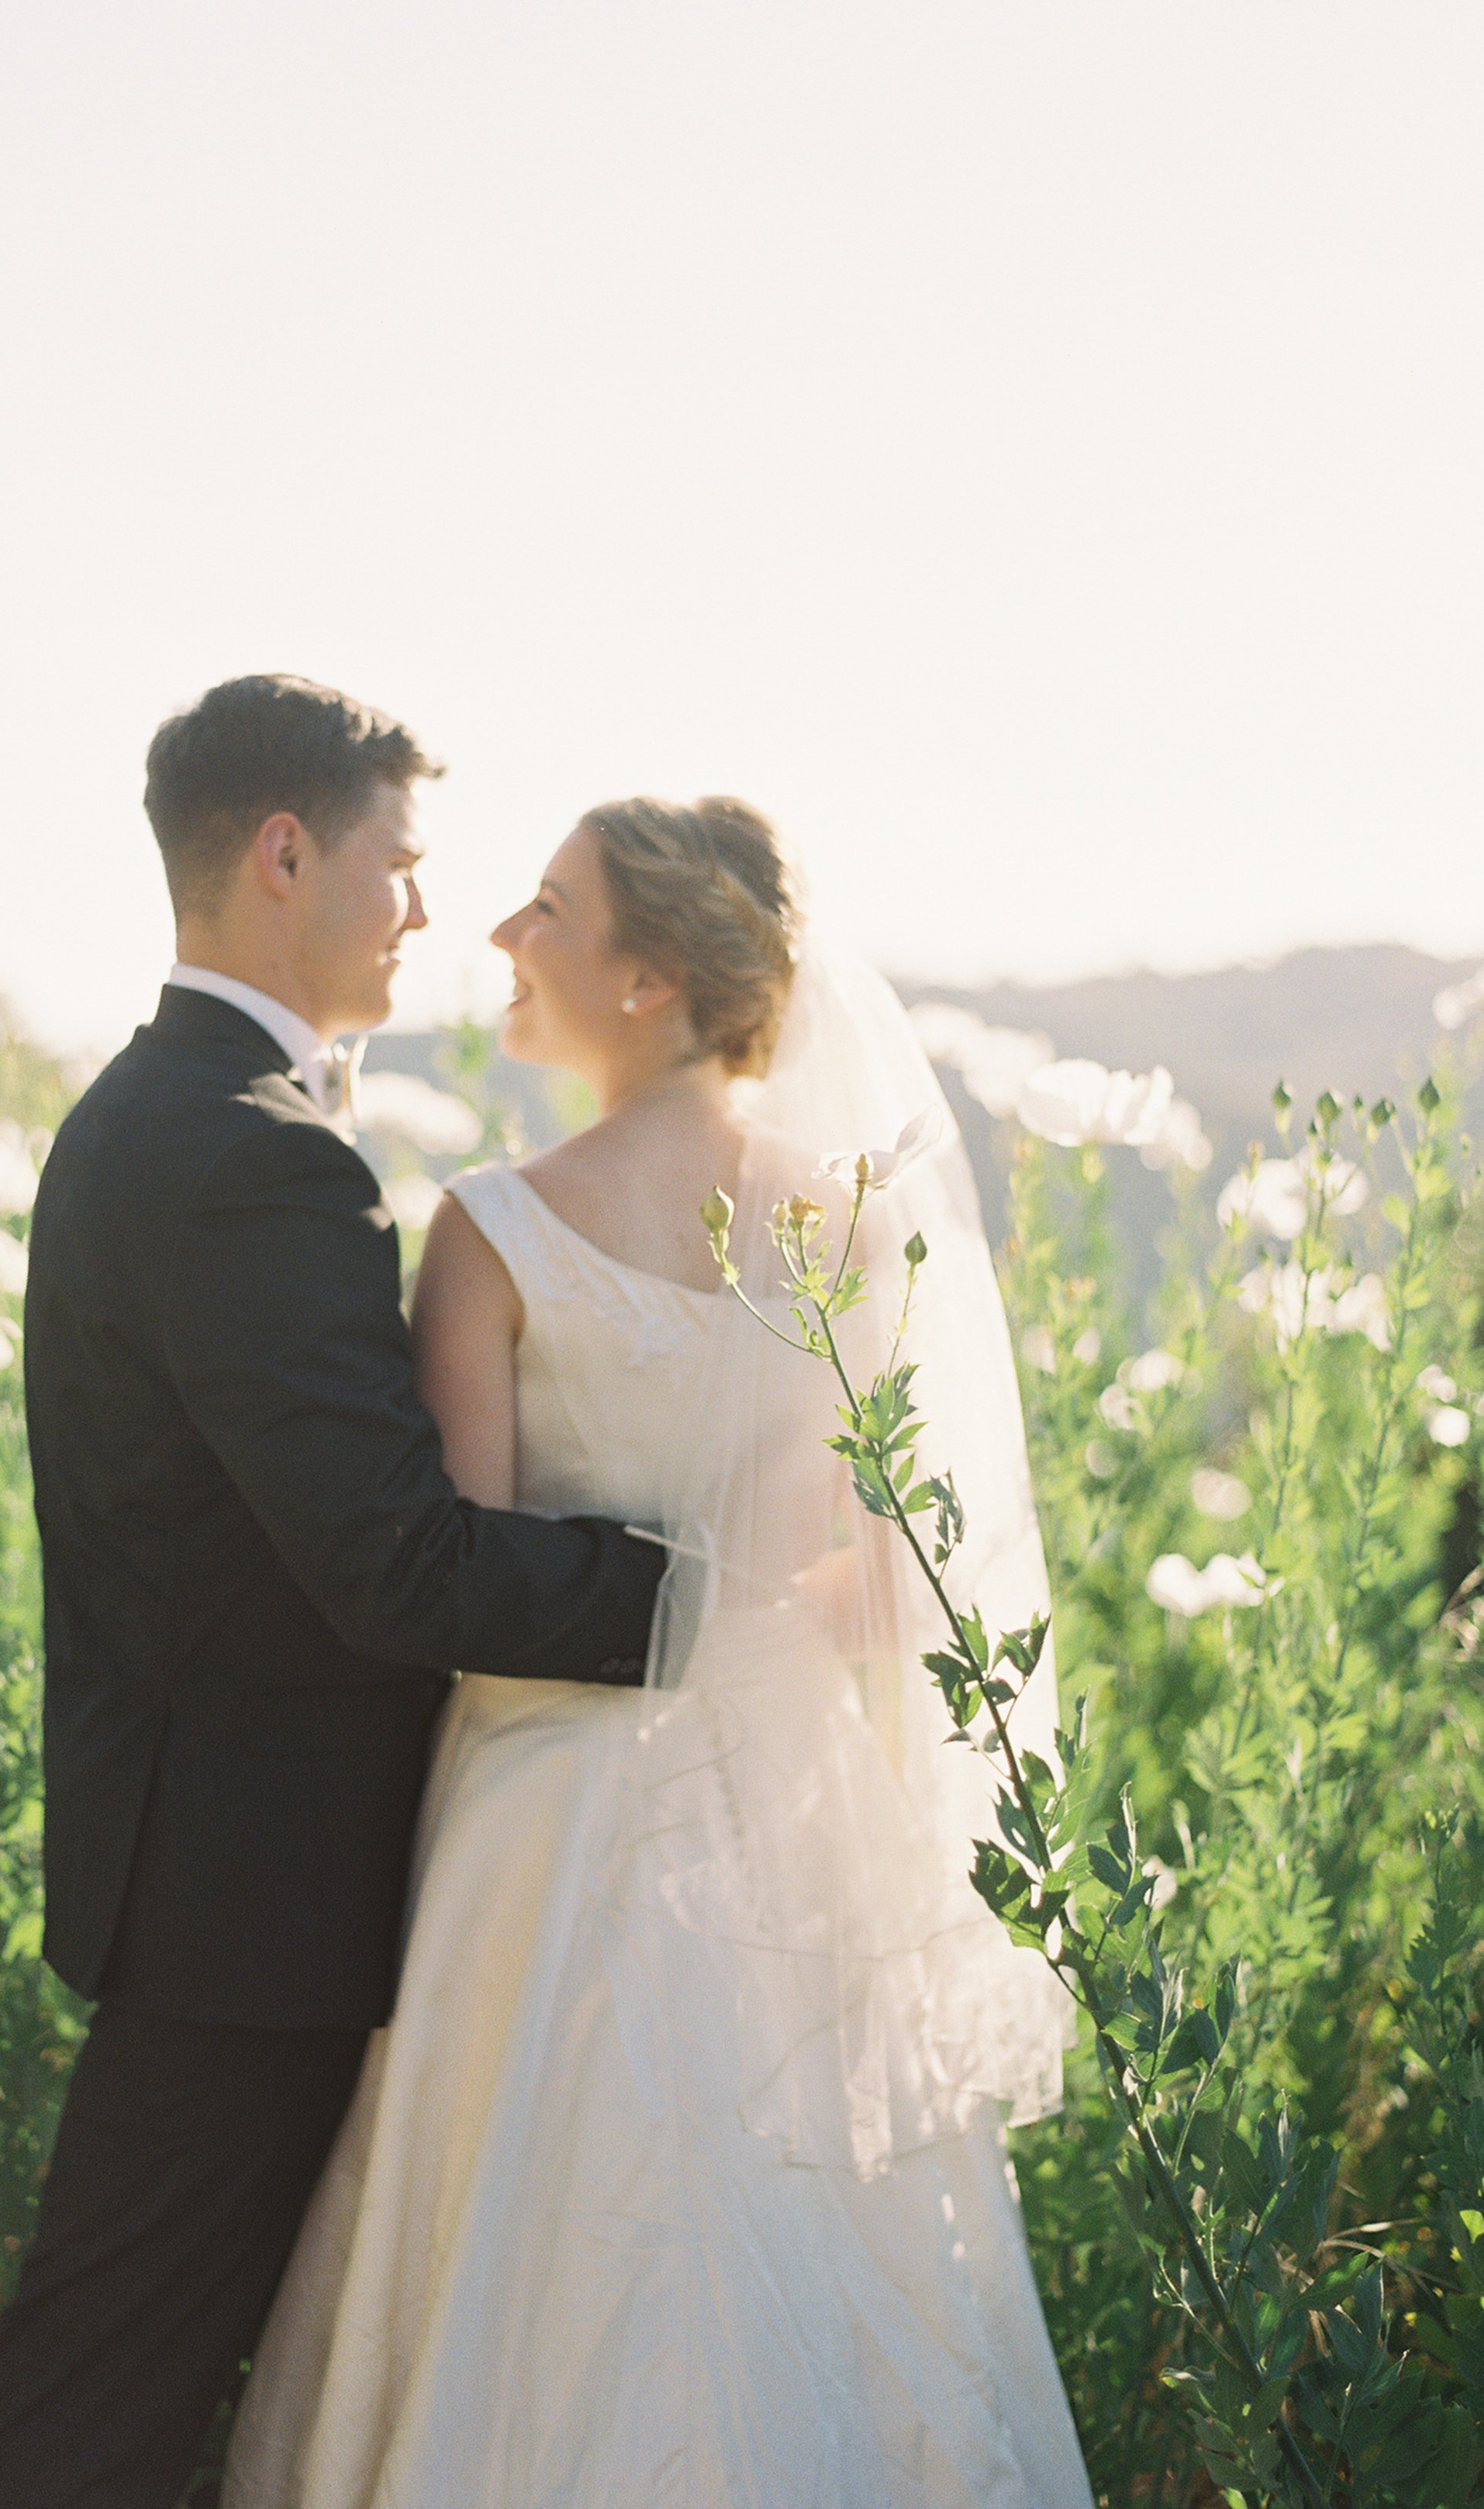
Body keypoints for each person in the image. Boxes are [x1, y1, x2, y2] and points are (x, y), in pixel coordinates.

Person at [223, 796, 1094, 2508]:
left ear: (642, 979)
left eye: (546, 909)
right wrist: (753, 1620)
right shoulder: (850, 1225)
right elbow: (887, 1582)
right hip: (795, 1820)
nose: (499, 937)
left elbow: (456, 1582)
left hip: (538, 1822)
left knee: (520, 2247)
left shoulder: (492, 1228)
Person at [0, 678, 666, 2509]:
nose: (424, 915)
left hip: (219, 1878)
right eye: (398, 867)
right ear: (284, 854)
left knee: (126, 2379)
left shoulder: (166, 1111)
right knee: (100, 2405)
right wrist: (680, 1596)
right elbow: (393, 1564)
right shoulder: (248, 1153)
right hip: (246, 1902)